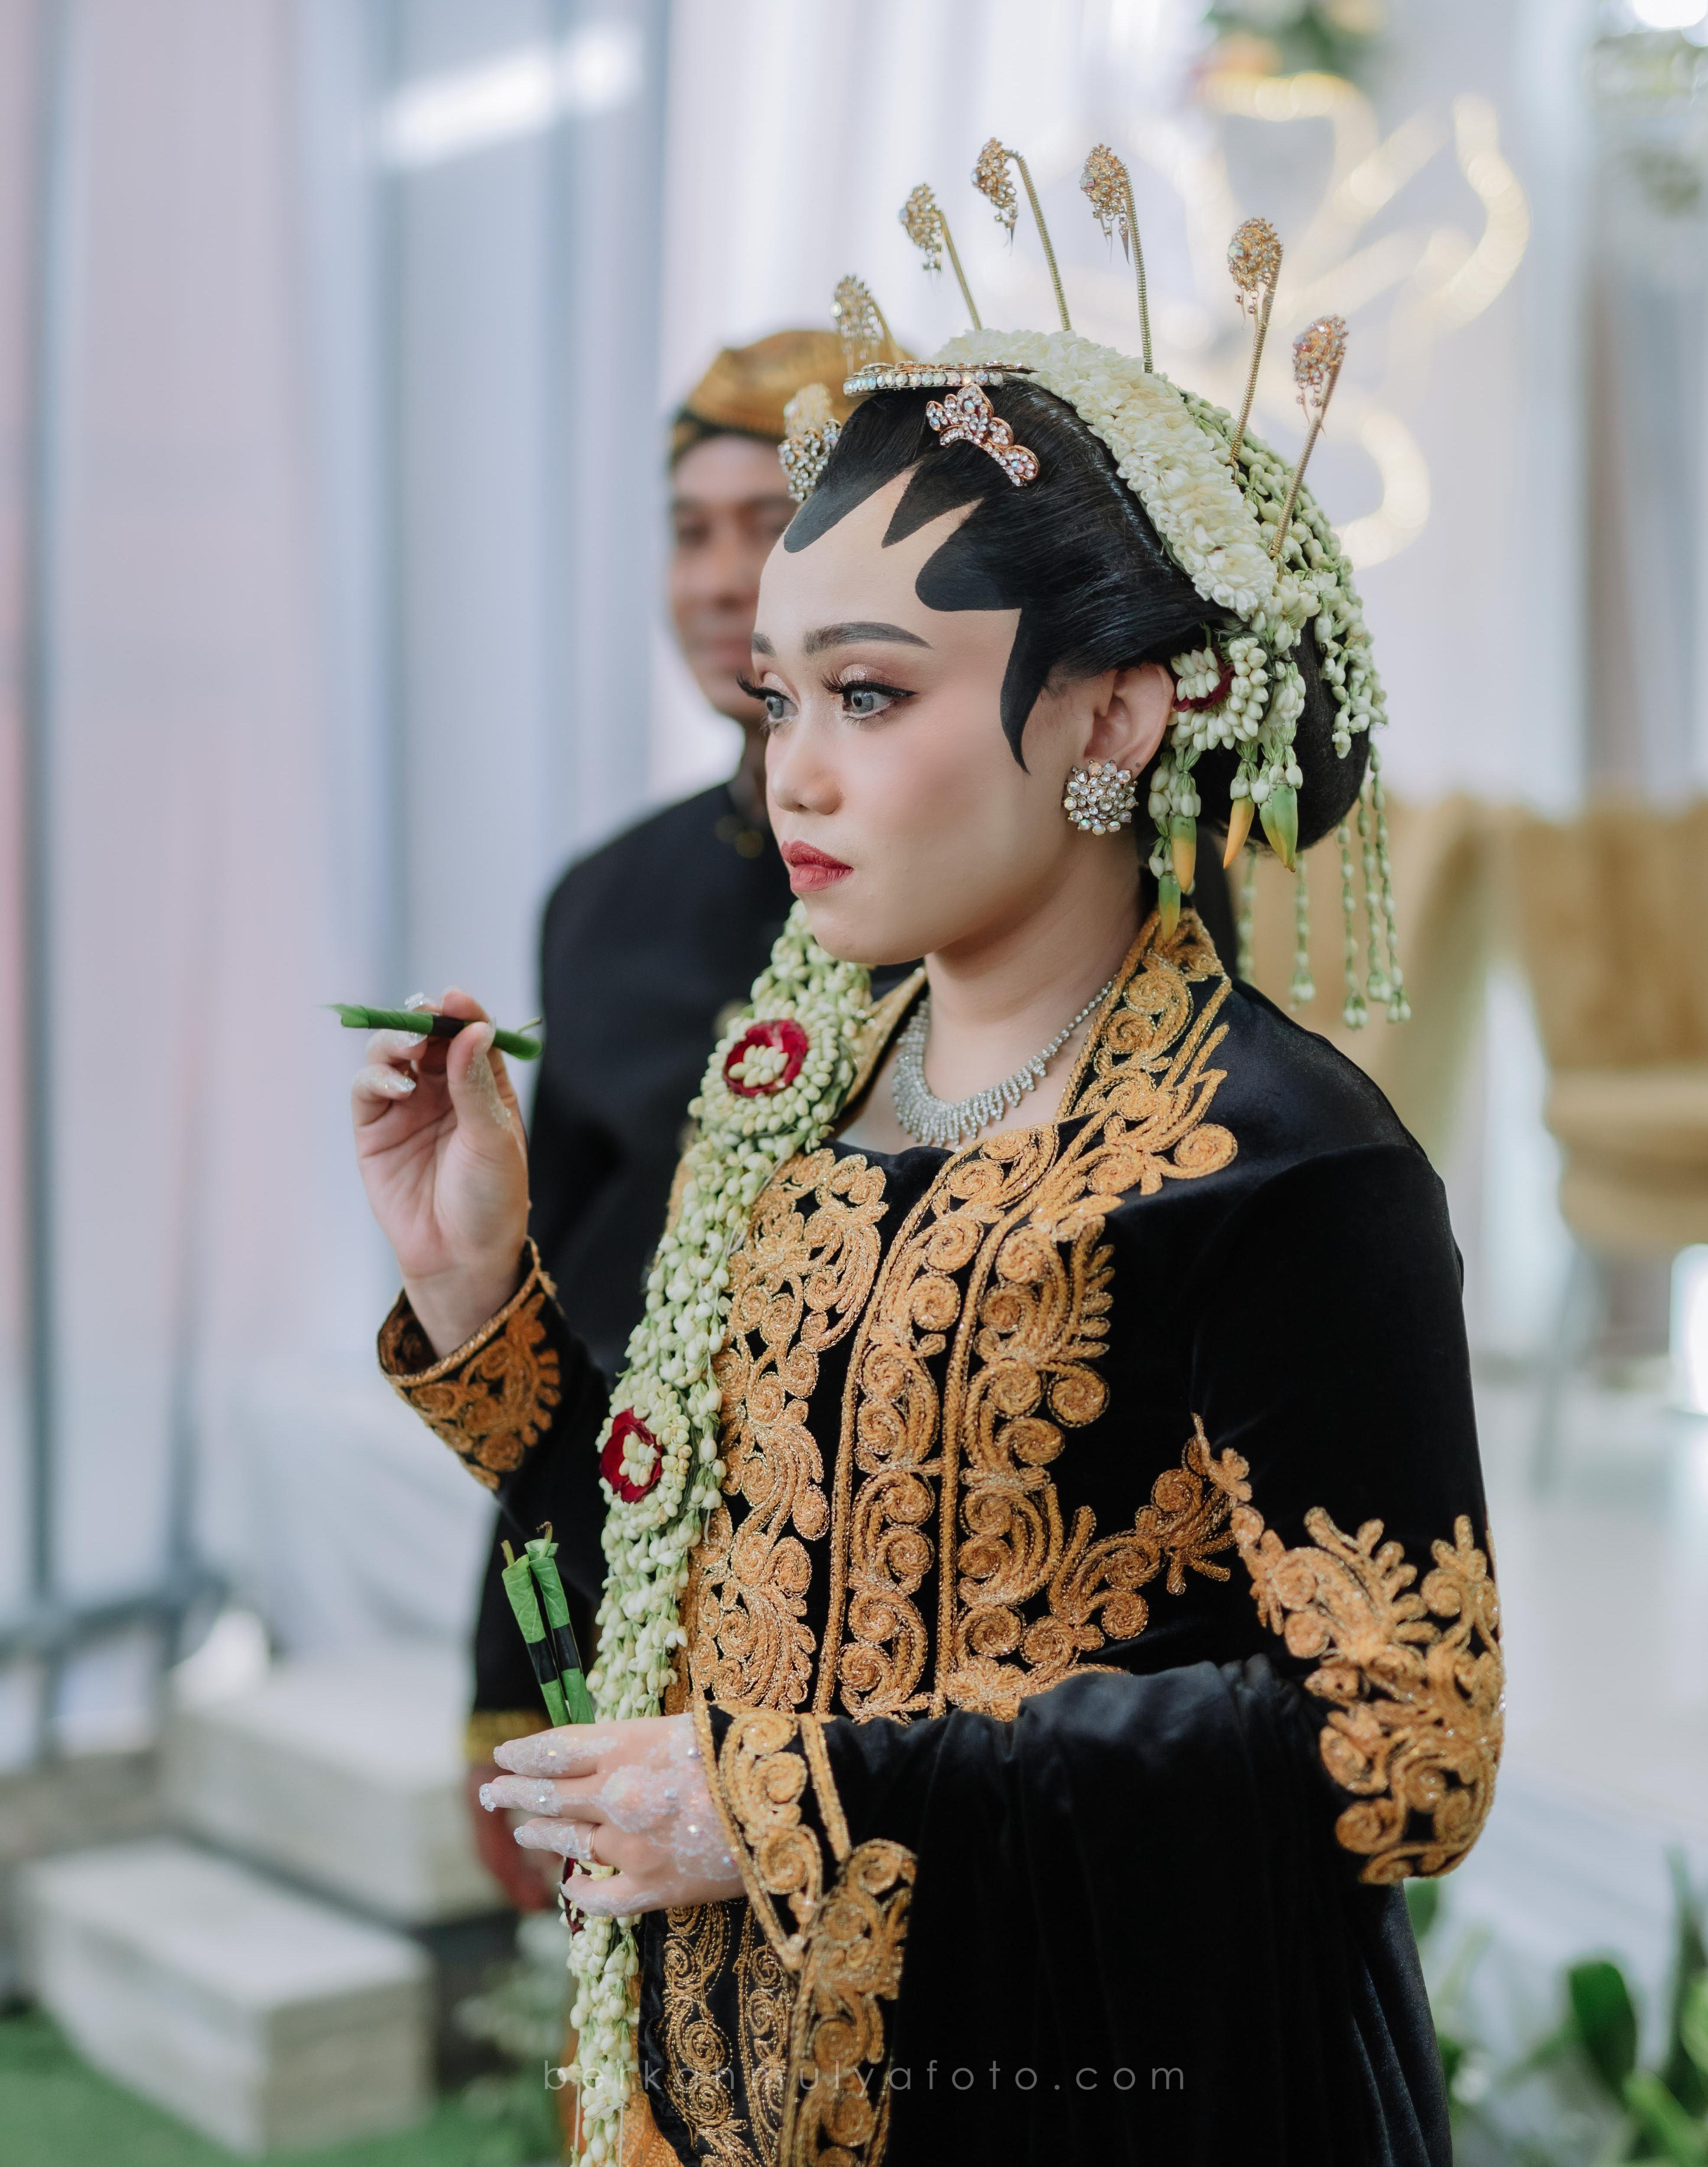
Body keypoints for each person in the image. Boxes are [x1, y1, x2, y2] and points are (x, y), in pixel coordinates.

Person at [353, 171, 1497, 2166]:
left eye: (870, 693)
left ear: (1115, 712)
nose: (791, 766)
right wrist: (484, 1304)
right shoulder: (797, 1076)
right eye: (777, 697)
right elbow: (692, 1580)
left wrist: (796, 1796)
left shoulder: (1279, 1160)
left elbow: (1404, 1750)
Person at [460, 330, 852, 1908]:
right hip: (619, 1577)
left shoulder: (992, 907)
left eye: (768, 525)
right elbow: (556, 1300)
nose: (716, 579)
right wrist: (510, 1666)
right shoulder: (606, 900)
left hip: (878, 1638)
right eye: (689, 531)